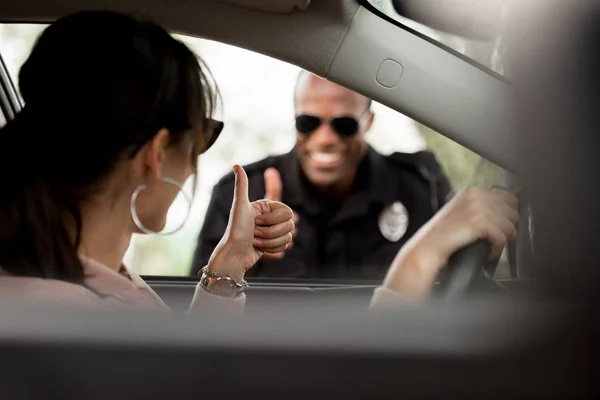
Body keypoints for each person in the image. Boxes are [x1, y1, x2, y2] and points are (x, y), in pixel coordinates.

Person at [0, 11, 518, 311]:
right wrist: (415, 266)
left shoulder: (88, 282)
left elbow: (187, 375)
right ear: (157, 154)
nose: (324, 137)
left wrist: (225, 268)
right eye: (202, 135)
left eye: (342, 123)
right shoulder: (63, 314)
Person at [191, 71, 453, 279]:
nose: (325, 138)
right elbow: (200, 309)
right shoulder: (240, 195)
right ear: (294, 118)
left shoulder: (420, 188)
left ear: (369, 121)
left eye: (344, 125)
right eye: (309, 122)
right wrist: (246, 263)